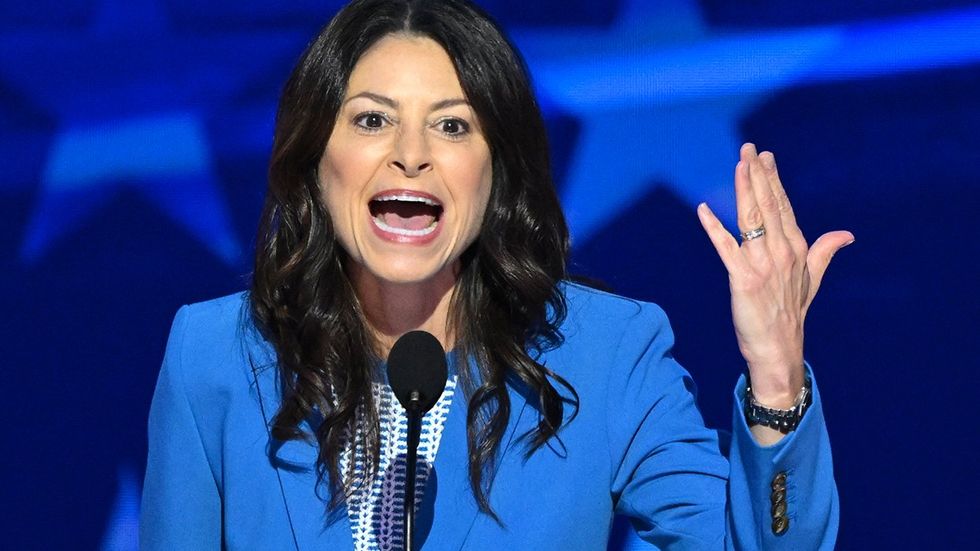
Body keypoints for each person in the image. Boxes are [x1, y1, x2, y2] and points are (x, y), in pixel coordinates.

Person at [141, 0, 851, 549]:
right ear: (315, 159)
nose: (410, 155)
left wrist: (776, 379)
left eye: (452, 126)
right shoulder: (215, 357)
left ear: (496, 170)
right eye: (371, 120)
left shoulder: (605, 354)